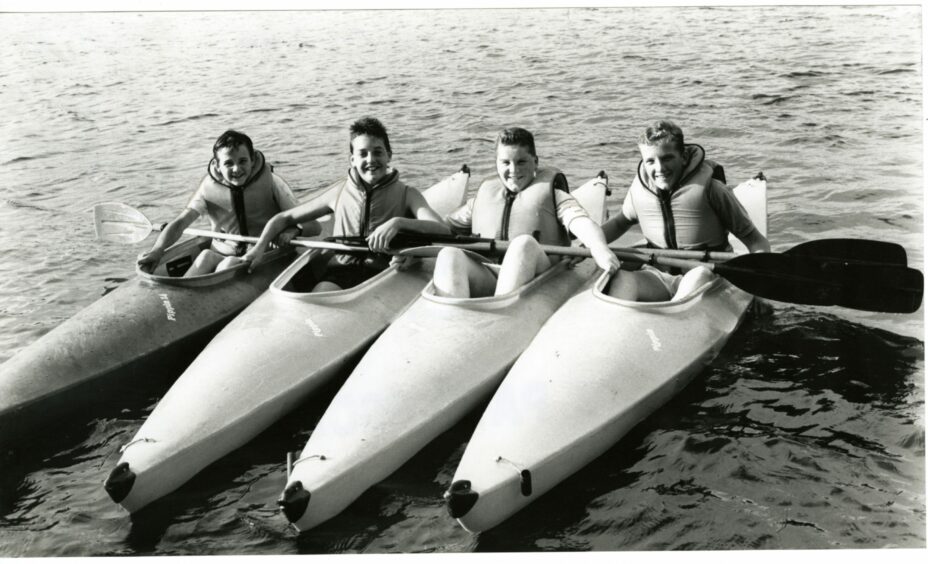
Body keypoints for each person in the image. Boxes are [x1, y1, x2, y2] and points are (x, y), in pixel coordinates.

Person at [243, 117, 451, 292]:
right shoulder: (338, 193)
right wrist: (259, 248)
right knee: (320, 293)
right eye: (363, 154)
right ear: (352, 160)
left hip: (387, 271)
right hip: (342, 270)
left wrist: (398, 223)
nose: (371, 159)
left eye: (378, 152)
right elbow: (284, 218)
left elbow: (442, 230)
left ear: (389, 156)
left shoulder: (408, 194)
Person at [433, 127, 619, 298]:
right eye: (506, 162)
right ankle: (452, 318)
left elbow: (582, 223)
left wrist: (598, 247)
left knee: (523, 244)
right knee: (449, 254)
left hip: (539, 274)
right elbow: (442, 228)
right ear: (496, 163)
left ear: (535, 162)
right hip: (490, 274)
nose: (513, 170)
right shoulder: (481, 199)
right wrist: (417, 250)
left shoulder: (555, 196)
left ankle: (501, 311)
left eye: (521, 161)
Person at [601, 120, 770, 301]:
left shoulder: (713, 189)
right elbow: (620, 222)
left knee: (697, 275)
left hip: (708, 275)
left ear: (683, 156)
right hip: (659, 274)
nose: (659, 168)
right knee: (623, 280)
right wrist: (589, 246)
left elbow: (756, 241)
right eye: (650, 161)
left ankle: (676, 316)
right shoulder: (639, 190)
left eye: (667, 158)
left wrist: (759, 292)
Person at [137, 130, 316, 277]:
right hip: (223, 251)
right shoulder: (208, 188)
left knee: (230, 263)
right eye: (228, 163)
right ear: (217, 165)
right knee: (205, 256)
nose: (237, 169)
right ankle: (181, 296)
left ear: (253, 160)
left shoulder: (273, 183)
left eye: (243, 161)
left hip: (262, 254)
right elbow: (180, 223)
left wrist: (295, 230)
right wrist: (158, 250)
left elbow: (314, 226)